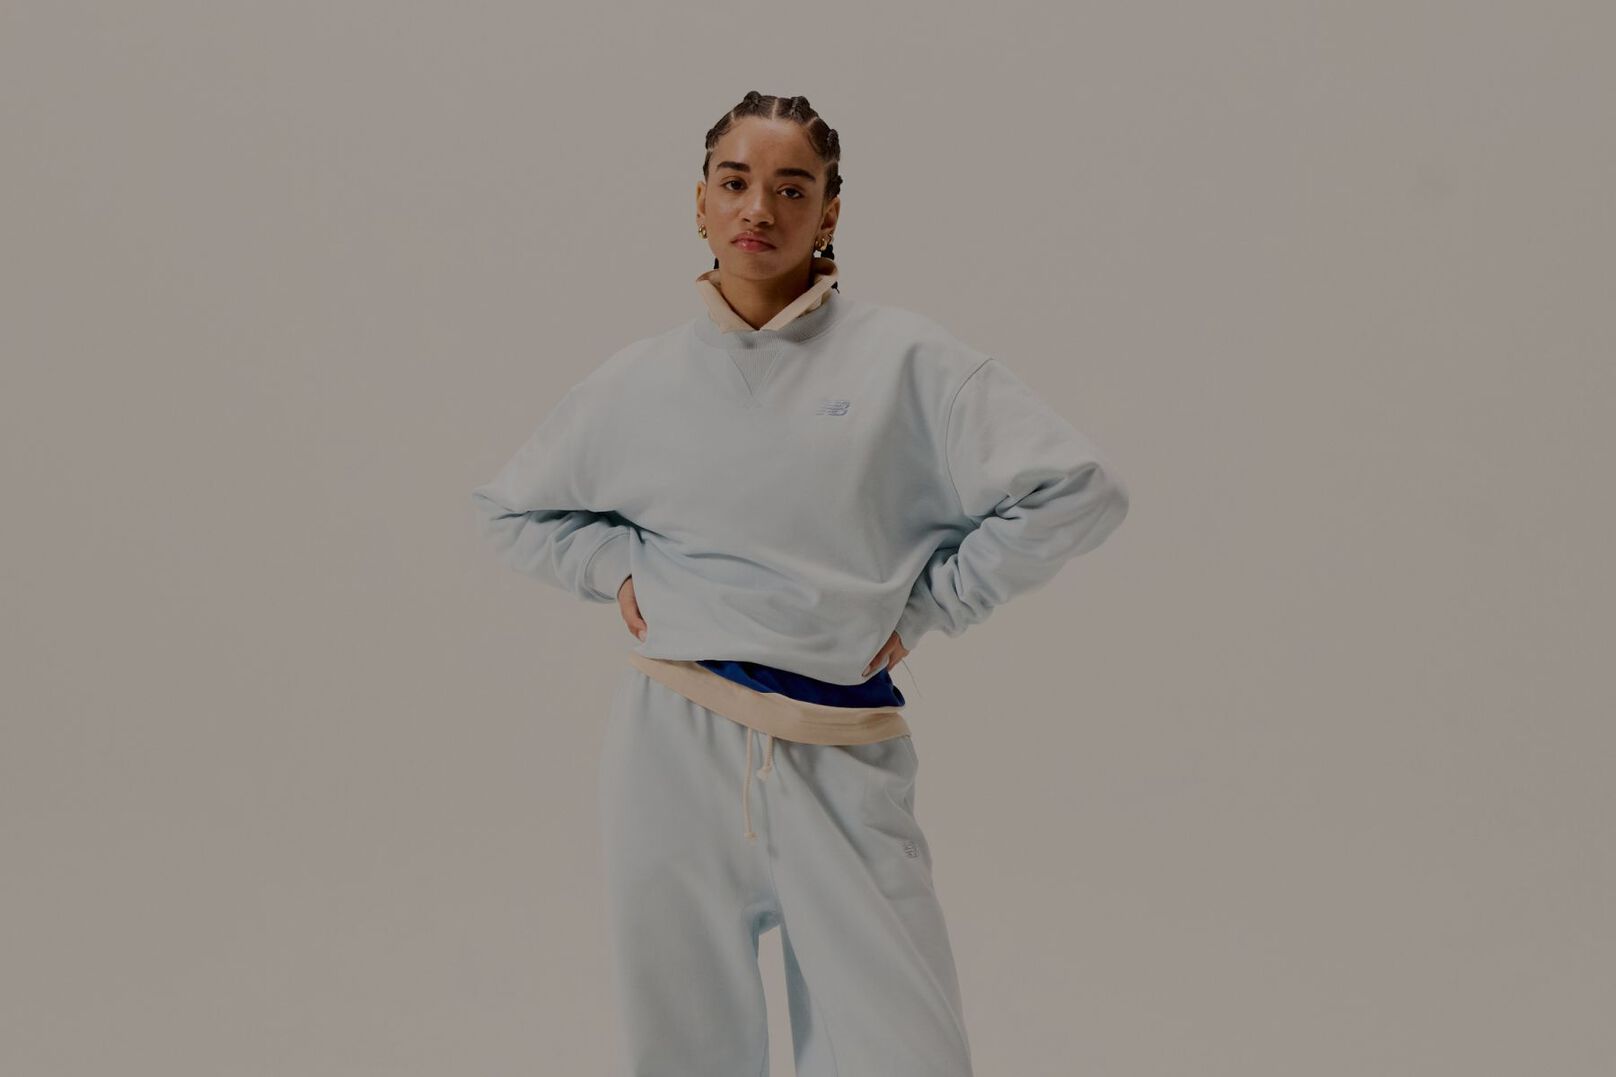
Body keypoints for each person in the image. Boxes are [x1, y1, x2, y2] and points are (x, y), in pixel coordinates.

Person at [471, 90, 1129, 1077]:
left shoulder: (905, 361)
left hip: (839, 747)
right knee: (684, 1052)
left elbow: (1077, 489)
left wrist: (936, 603)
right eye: (734, 182)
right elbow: (509, 510)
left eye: (791, 188)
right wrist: (614, 566)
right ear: (699, 202)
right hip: (670, 747)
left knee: (903, 1054)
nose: (758, 209)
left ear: (829, 211)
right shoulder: (637, 382)